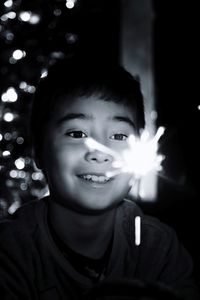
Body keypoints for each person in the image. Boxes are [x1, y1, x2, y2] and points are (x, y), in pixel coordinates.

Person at [0, 58, 199, 300]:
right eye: (77, 133)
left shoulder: (157, 246)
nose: (101, 153)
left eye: (118, 135)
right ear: (39, 153)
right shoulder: (12, 250)